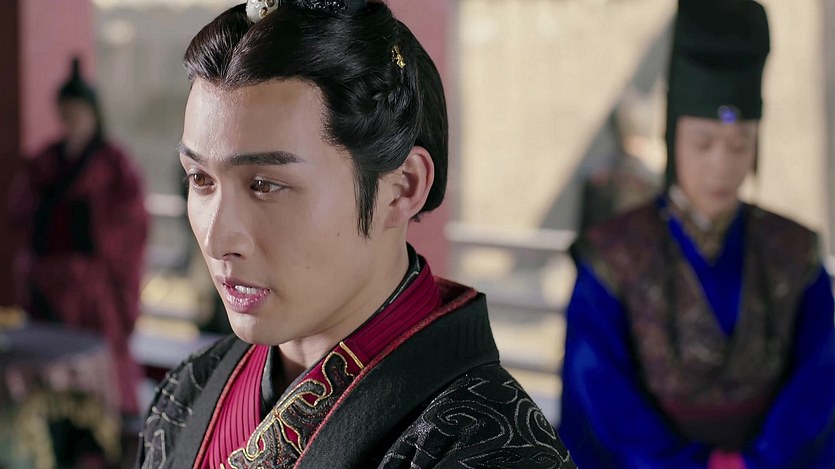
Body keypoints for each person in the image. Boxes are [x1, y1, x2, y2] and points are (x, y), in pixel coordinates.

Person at [135, 1, 575, 468]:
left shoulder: (493, 450)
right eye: (200, 179)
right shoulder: (189, 392)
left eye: (265, 184)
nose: (217, 239)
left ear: (402, 188)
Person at [559, 1, 835, 467]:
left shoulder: (795, 250)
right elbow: (598, 392)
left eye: (740, 145)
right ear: (673, 138)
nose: (721, 165)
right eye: (703, 144)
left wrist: (756, 461)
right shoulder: (612, 254)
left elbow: (822, 375)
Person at [9, 58, 149, 416]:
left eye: (77, 111)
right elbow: (19, 211)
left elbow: (132, 221)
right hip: (46, 283)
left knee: (96, 371)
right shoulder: (46, 161)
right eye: (65, 112)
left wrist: (88, 227)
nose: (71, 119)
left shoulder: (114, 164)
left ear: (92, 112)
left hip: (92, 291)